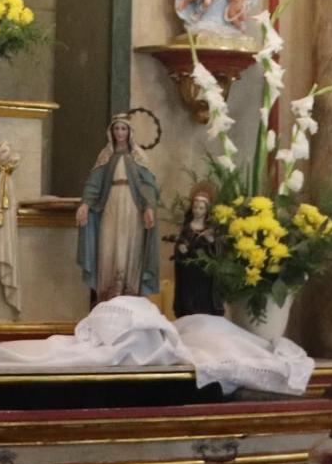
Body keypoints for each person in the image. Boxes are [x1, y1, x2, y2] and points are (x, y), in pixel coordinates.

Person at [75, 114, 160, 302]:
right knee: (108, 244)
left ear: (130, 132)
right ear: (111, 132)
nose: (120, 133)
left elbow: (148, 185)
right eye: (116, 129)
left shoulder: (138, 156)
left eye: (124, 129)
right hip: (111, 204)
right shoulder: (106, 156)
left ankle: (129, 291)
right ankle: (109, 292)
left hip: (132, 207)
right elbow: (94, 183)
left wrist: (148, 207)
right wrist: (85, 204)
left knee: (131, 244)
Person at [171, 186, 224, 318]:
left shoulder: (210, 229)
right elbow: (180, 243)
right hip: (188, 269)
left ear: (206, 210)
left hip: (204, 271)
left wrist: (211, 241)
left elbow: (216, 252)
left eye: (201, 208)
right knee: (188, 294)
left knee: (203, 295)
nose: (197, 211)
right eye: (195, 207)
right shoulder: (187, 227)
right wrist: (180, 248)